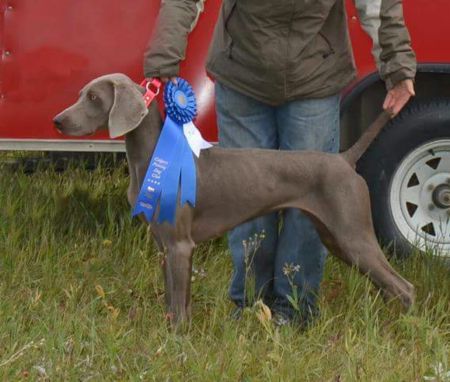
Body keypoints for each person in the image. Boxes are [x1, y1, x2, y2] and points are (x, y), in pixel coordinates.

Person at [143, 0, 416, 326]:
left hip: (313, 74)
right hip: (242, 72)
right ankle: (250, 307)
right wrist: (164, 59)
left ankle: (294, 310)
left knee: (314, 205)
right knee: (239, 199)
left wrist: (397, 65)